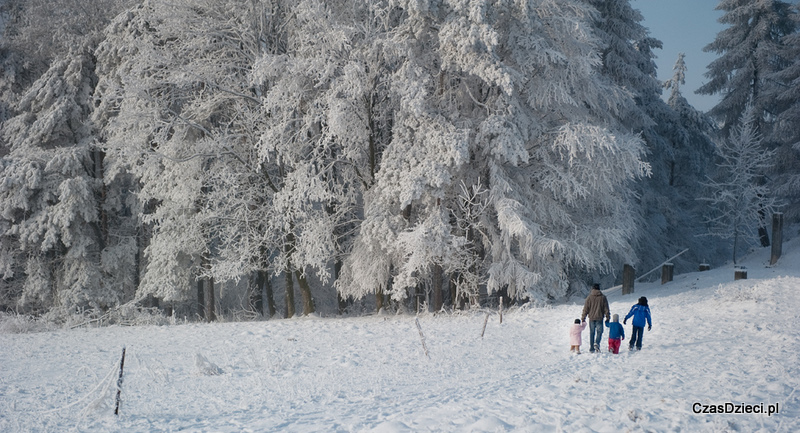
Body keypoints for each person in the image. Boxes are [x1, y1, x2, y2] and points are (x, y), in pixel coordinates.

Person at [581, 283, 610, 353]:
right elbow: (606, 308)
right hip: (599, 318)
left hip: (591, 318)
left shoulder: (589, 297)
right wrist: (607, 316)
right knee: (600, 332)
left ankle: (591, 348)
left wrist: (583, 318)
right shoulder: (603, 297)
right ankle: (597, 343)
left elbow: (586, 309)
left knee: (592, 333)